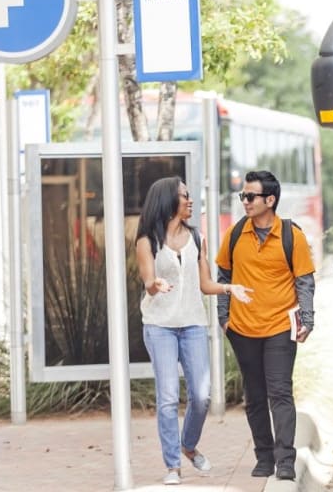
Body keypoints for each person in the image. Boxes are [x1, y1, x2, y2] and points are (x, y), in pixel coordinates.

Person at [135, 176, 252, 486]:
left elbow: (204, 284)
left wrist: (230, 287)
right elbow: (147, 280)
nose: (189, 200)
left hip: (193, 324)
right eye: (184, 195)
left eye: (189, 195)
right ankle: (173, 465)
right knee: (169, 397)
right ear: (167, 201)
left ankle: (188, 445)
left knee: (201, 395)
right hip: (159, 326)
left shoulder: (197, 238)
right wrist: (154, 285)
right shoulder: (147, 241)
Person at [215, 170, 316, 481]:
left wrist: (308, 320)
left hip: (278, 329)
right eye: (242, 196)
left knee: (280, 392)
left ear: (270, 200)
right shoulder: (234, 235)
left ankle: (286, 459)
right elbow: (223, 278)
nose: (244, 201)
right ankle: (264, 456)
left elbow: (305, 282)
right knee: (255, 395)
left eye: (250, 196)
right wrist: (224, 319)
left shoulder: (291, 236)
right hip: (242, 330)